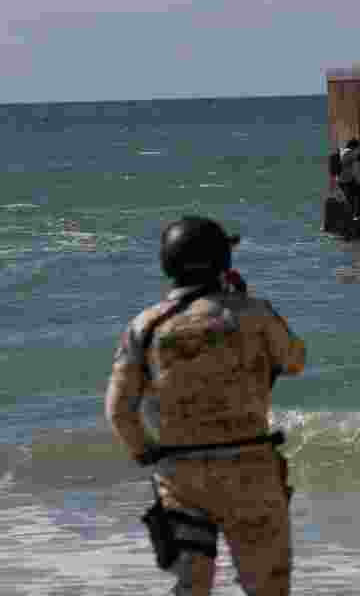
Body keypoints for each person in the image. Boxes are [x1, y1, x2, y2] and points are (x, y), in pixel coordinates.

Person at [105, 216, 305, 595]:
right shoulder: (255, 314)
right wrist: (244, 302)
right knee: (268, 587)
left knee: (191, 586)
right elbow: (295, 360)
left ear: (168, 265)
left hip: (182, 477)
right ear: (224, 263)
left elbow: (118, 410)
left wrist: (146, 453)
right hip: (251, 470)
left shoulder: (146, 326)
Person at [337, 138, 360, 219]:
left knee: (350, 197)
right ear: (353, 146)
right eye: (356, 147)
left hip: (340, 180)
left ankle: (351, 215)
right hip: (347, 180)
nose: (357, 149)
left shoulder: (342, 151)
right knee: (358, 193)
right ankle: (355, 215)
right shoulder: (350, 153)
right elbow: (358, 158)